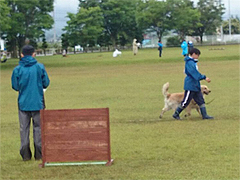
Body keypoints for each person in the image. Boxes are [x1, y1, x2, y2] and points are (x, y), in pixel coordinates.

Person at [11, 45, 50, 161]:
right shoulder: (39, 67)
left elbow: (15, 86)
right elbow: (46, 83)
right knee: (38, 128)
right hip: (38, 102)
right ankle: (39, 153)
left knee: (24, 129)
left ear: (21, 54)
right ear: (34, 54)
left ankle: (25, 153)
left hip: (23, 103)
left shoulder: (17, 69)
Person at [172, 48, 213, 120]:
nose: (198, 57)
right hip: (190, 85)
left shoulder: (192, 62)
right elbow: (194, 73)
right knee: (186, 101)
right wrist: (204, 77)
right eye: (197, 55)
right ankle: (176, 114)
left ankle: (204, 115)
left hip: (195, 85)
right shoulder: (190, 63)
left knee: (200, 100)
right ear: (193, 54)